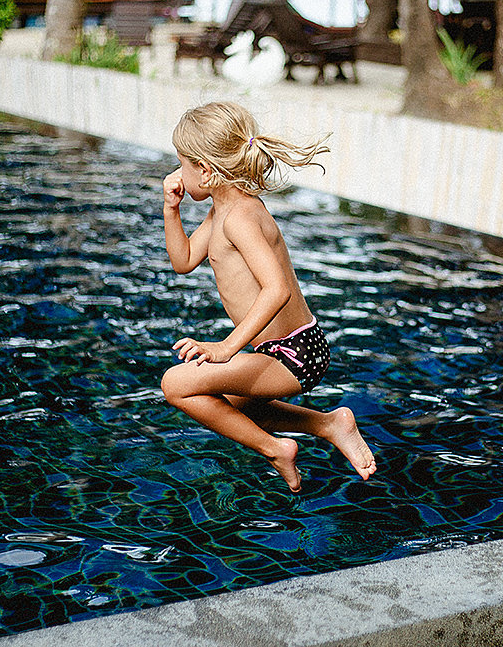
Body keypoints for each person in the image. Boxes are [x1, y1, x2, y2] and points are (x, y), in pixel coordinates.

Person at [161, 101, 377, 492]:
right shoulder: (221, 211)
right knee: (229, 406)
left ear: (206, 171)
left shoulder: (241, 217)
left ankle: (277, 449)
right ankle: (330, 424)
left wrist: (226, 347)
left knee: (177, 384)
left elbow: (276, 289)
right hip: (278, 350)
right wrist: (171, 208)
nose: (176, 173)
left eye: (182, 164)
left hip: (295, 351)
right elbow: (184, 260)